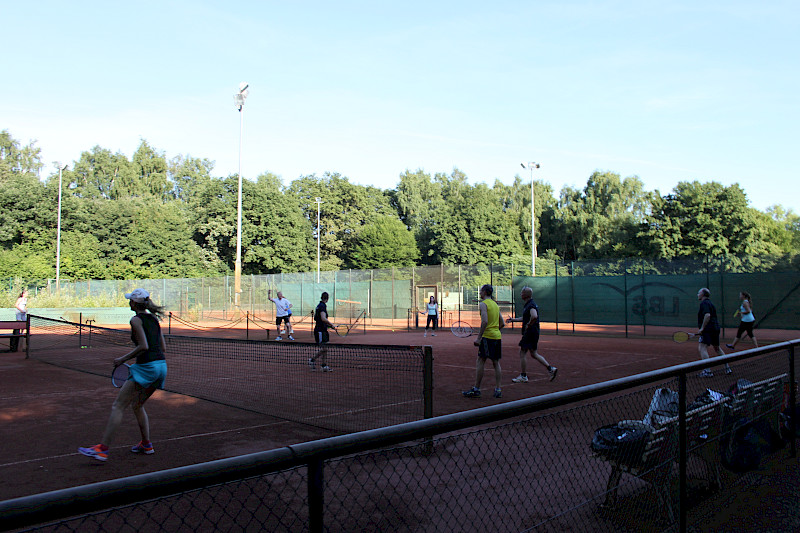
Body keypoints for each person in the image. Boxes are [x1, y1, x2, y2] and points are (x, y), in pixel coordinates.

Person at [78, 289, 167, 461]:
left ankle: (102, 449)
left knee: (118, 406)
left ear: (134, 303)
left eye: (130, 301)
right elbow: (162, 347)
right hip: (161, 367)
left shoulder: (135, 320)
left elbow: (144, 346)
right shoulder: (154, 319)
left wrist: (122, 359)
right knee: (137, 405)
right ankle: (146, 444)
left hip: (146, 368)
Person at [506, 286, 557, 383]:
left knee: (522, 352)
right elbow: (526, 318)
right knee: (533, 353)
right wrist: (513, 320)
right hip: (533, 332)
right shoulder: (528, 304)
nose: (521, 294)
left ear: (526, 295)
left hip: (530, 333)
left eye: (522, 292)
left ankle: (523, 376)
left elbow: (534, 316)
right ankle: (551, 369)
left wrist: (528, 325)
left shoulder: (531, 305)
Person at [463, 284, 505, 399]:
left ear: (485, 292)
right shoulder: (495, 305)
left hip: (488, 337)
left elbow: (485, 321)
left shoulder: (483, 304)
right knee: (496, 363)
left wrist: (479, 337)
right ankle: (498, 389)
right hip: (497, 336)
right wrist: (494, 330)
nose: (480, 293)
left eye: (481, 291)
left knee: (480, 360)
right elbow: (502, 323)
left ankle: (476, 389)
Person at [696, 287, 730, 377]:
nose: (697, 294)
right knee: (717, 348)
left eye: (699, 293)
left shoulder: (704, 303)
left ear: (703, 294)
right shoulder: (710, 303)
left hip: (708, 329)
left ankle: (707, 371)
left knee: (702, 347)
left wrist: (702, 328)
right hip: (715, 328)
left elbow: (707, 315)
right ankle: (727, 368)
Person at [308, 291, 335, 372]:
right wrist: (331, 324)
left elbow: (319, 319)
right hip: (320, 331)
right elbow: (323, 318)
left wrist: (329, 326)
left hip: (323, 330)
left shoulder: (319, 306)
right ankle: (312, 360)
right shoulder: (322, 306)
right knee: (324, 348)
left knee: (325, 348)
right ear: (327, 299)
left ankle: (323, 365)